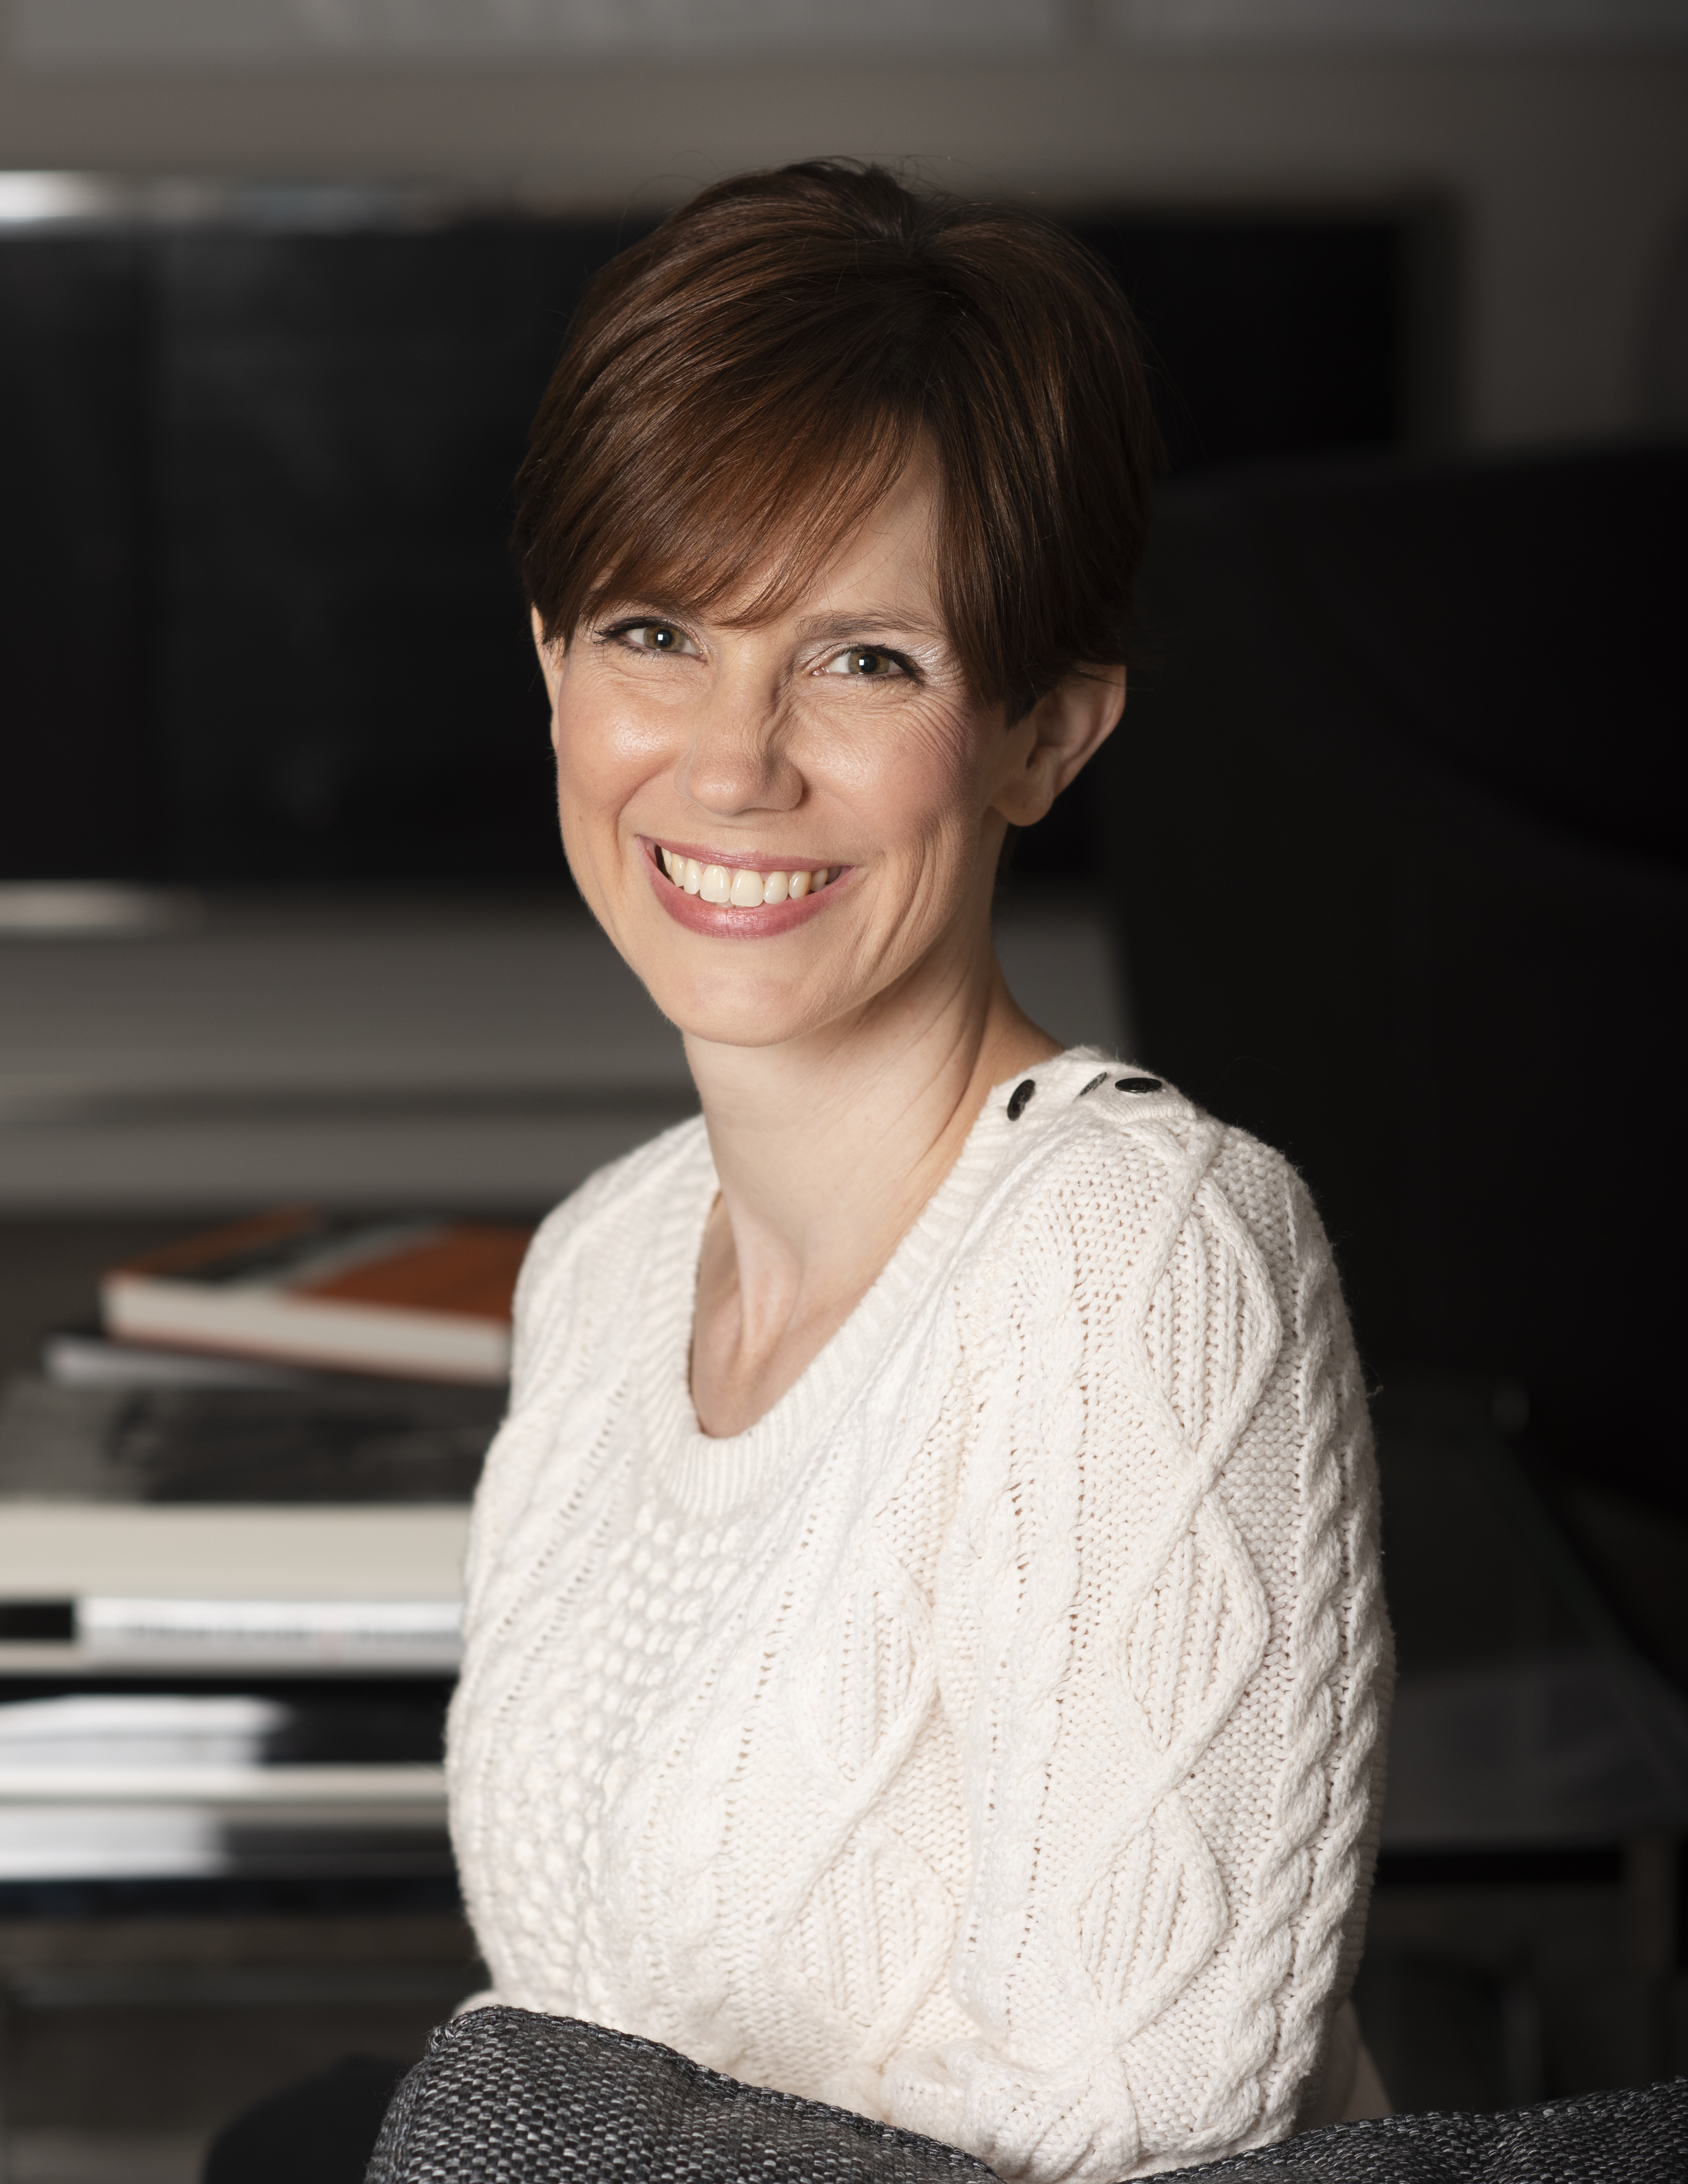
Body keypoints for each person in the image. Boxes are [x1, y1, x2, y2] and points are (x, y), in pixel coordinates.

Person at [443, 159, 1392, 2183]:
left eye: (863, 659)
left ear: (1045, 735)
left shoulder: (1138, 1254)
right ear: (551, 673)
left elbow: (1133, 2119)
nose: (729, 760)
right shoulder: (602, 1268)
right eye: (655, 631)